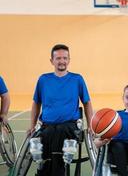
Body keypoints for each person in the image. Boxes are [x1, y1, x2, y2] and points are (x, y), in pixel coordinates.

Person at [29, 44, 93, 176]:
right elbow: (36, 103)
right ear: (52, 61)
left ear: (69, 60)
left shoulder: (77, 79)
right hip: (47, 125)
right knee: (49, 132)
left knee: (60, 131)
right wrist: (32, 126)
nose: (62, 61)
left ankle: (54, 171)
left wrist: (91, 125)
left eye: (65, 58)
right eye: (58, 58)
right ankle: (45, 168)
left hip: (70, 125)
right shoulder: (43, 79)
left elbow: (87, 103)